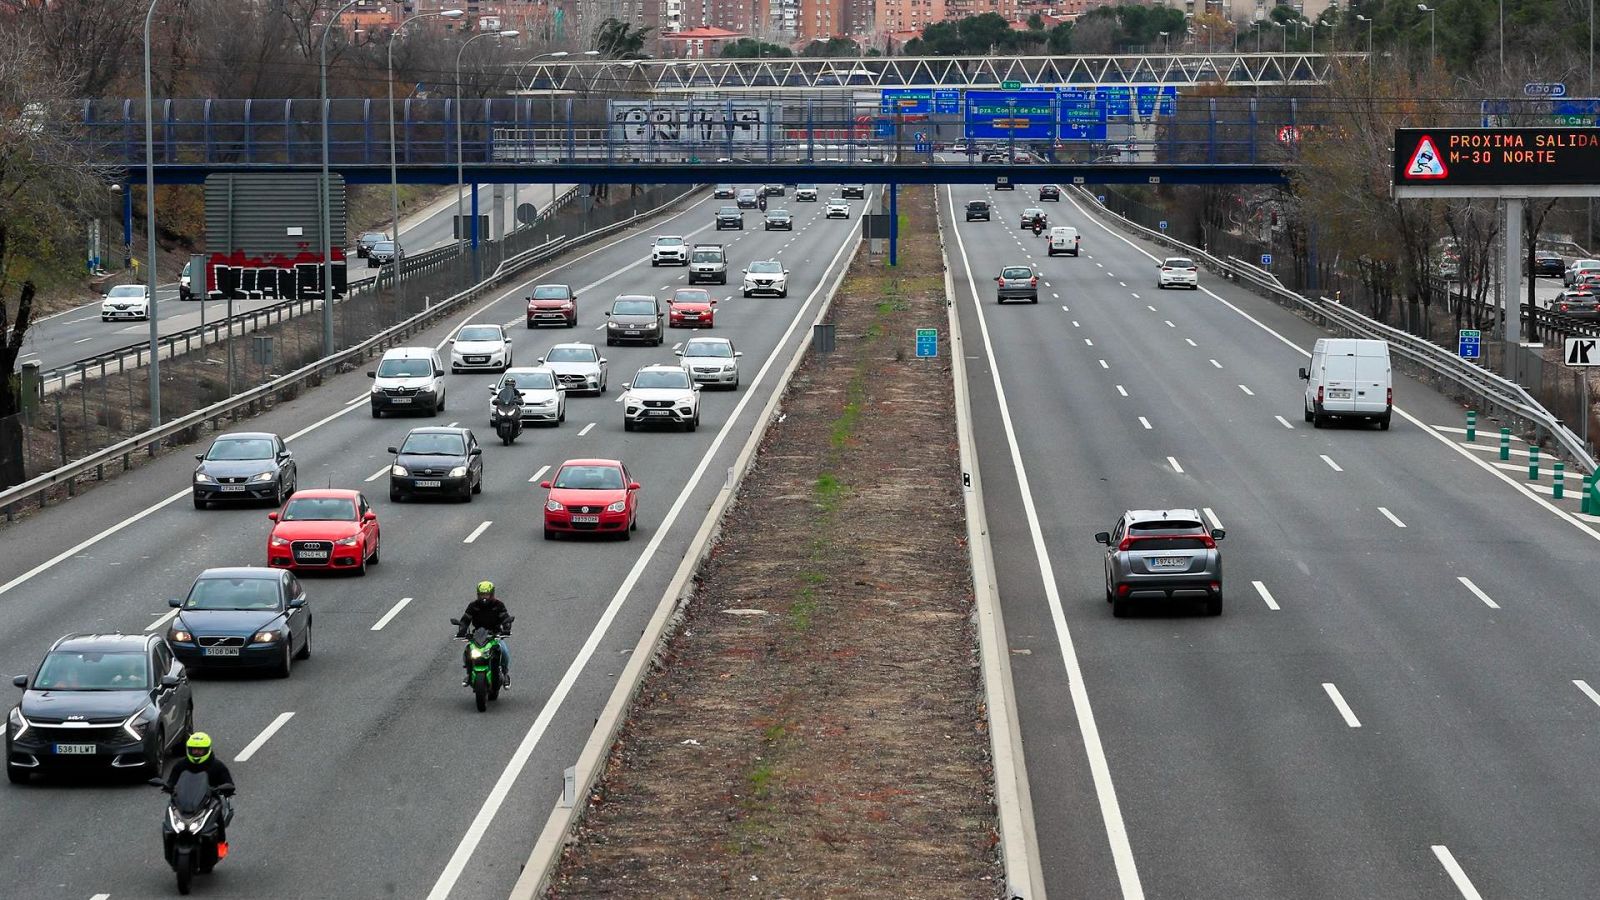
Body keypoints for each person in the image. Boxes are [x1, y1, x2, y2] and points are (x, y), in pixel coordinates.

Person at [164, 732, 236, 846]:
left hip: (211, 800)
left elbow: (229, 783)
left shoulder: (218, 766)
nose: (197, 752)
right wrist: (167, 787)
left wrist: (225, 788)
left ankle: (221, 844)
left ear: (207, 750)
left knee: (219, 818)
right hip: (185, 798)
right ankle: (170, 839)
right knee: (169, 813)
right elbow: (171, 781)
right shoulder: (181, 765)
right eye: (194, 750)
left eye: (200, 750)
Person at [457, 580, 512, 686]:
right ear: (478, 594)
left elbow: (505, 617)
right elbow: (465, 619)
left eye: (486, 594)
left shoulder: (498, 605)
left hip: (495, 635)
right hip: (478, 635)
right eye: (482, 595)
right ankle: (469, 673)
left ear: (492, 594)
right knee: (468, 650)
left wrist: (507, 628)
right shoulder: (473, 605)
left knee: (504, 651)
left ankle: (505, 674)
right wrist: (462, 631)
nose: (484, 597)